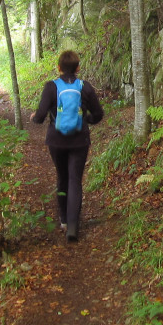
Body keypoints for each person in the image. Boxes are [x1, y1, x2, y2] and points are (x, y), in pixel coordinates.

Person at [31, 50, 104, 242]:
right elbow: (98, 115)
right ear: (78, 68)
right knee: (75, 180)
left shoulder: (51, 87)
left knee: (62, 177)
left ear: (59, 68)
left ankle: (63, 219)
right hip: (80, 140)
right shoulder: (85, 87)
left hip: (56, 140)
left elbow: (39, 117)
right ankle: (72, 227)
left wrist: (34, 118)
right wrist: (85, 118)